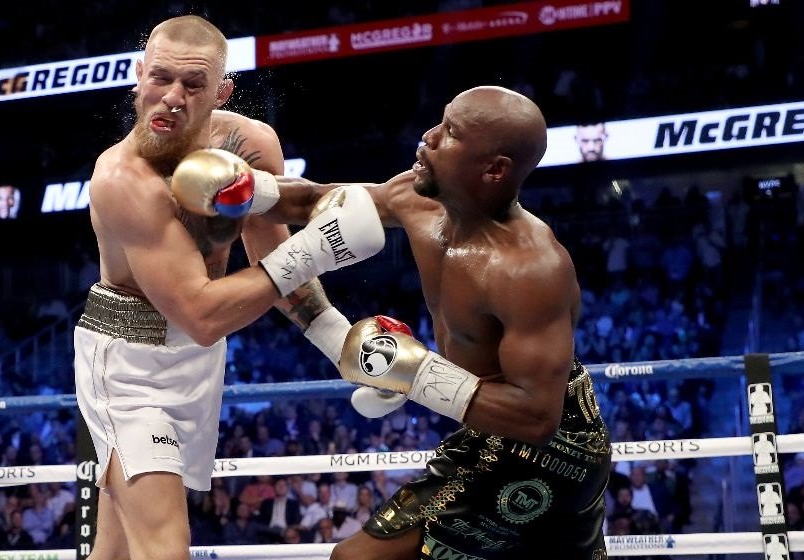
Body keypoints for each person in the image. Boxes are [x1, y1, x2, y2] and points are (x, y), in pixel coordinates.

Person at [73, 15, 384, 560]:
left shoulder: (250, 144)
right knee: (164, 548)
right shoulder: (123, 178)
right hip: (127, 362)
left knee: (117, 549)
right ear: (139, 75)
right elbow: (201, 313)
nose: (172, 97)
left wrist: (342, 345)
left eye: (193, 85)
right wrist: (322, 246)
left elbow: (273, 262)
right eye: (160, 78)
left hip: (199, 359)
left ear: (222, 92)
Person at [257, 86, 613, 559]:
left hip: (552, 447)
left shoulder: (529, 269)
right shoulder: (414, 196)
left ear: (494, 169)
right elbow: (313, 201)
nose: (429, 136)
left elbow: (537, 417)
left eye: (451, 133)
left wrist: (411, 372)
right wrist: (240, 190)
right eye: (440, 122)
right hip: (489, 430)